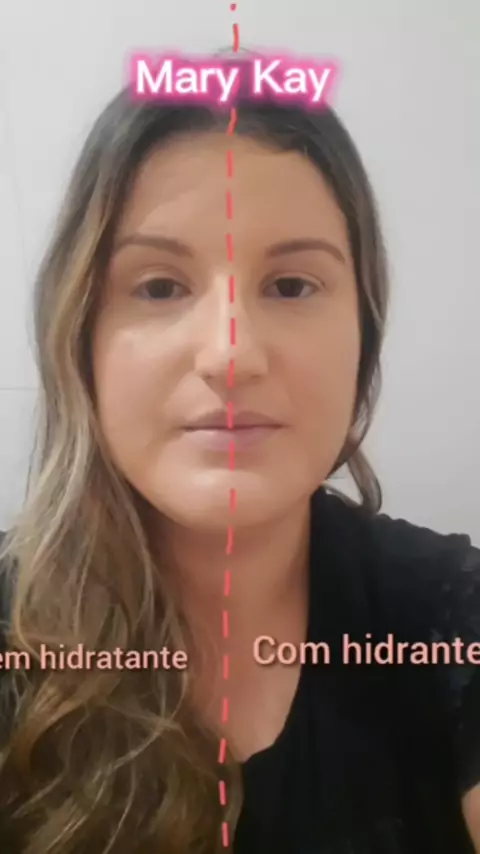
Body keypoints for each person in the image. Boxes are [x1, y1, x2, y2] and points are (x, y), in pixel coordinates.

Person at [0, 75, 479, 854]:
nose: (231, 354)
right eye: (159, 286)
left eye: (291, 285)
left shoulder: (447, 614)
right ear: (80, 338)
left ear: (363, 335)